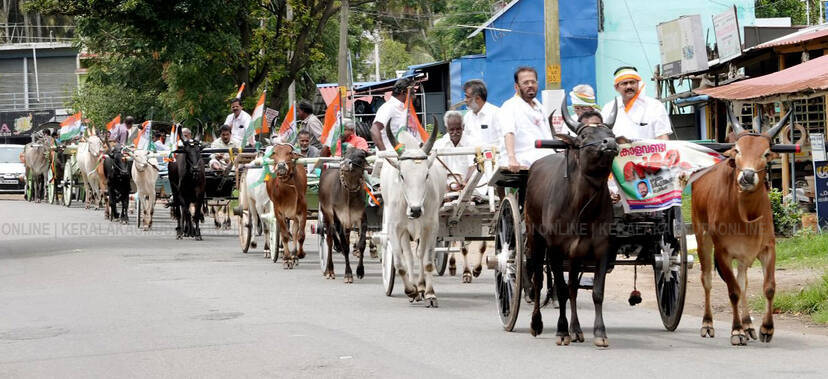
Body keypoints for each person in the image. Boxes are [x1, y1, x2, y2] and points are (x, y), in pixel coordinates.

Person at [498, 66, 554, 172]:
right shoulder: (510, 106)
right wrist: (512, 158)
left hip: (546, 157)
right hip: (523, 159)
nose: (530, 85)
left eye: (533, 82)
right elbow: (509, 132)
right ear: (516, 87)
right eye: (525, 83)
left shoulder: (539, 107)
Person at [601, 66, 673, 141]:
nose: (629, 86)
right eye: (624, 83)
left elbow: (662, 137)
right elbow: (602, 137)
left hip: (649, 152)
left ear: (638, 84)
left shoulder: (655, 106)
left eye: (632, 82)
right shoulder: (608, 108)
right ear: (616, 87)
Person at [434, 111, 476, 193]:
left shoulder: (471, 143)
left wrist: (465, 183)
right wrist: (445, 188)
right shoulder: (439, 145)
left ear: (463, 127)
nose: (455, 132)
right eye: (451, 129)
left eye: (458, 129)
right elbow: (437, 170)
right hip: (445, 187)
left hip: (468, 186)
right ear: (446, 129)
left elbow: (473, 167)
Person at [371, 78, 412, 151]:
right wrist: (385, 154)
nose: (414, 95)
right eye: (412, 92)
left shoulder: (404, 108)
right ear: (403, 93)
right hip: (392, 156)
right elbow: (374, 130)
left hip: (405, 155)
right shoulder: (389, 107)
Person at [462, 79, 500, 150]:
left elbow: (503, 141)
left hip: (493, 159)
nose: (465, 100)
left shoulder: (496, 113)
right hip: (472, 160)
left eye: (467, 97)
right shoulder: (467, 117)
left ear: (478, 98)